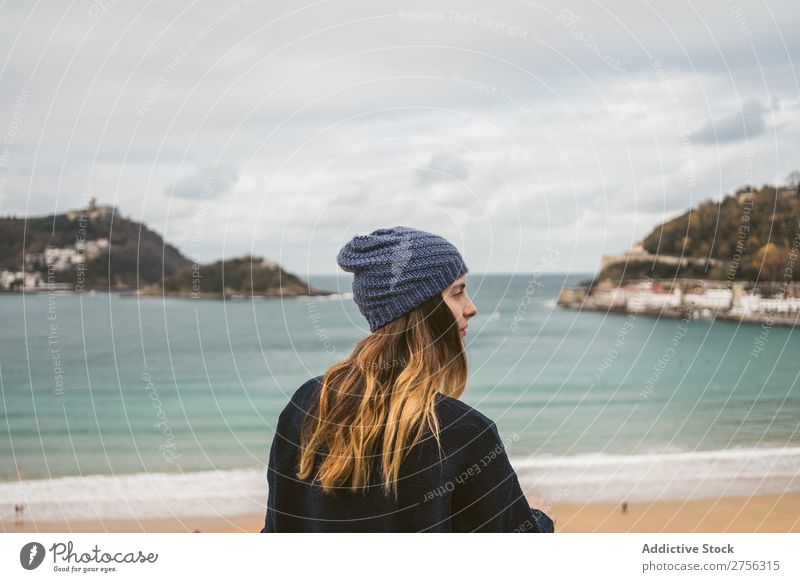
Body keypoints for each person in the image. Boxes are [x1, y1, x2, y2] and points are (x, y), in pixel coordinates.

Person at [260, 226, 554, 533]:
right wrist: (542, 519)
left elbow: (276, 530)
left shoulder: (307, 404)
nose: (471, 307)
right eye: (456, 292)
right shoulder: (463, 431)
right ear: (422, 308)